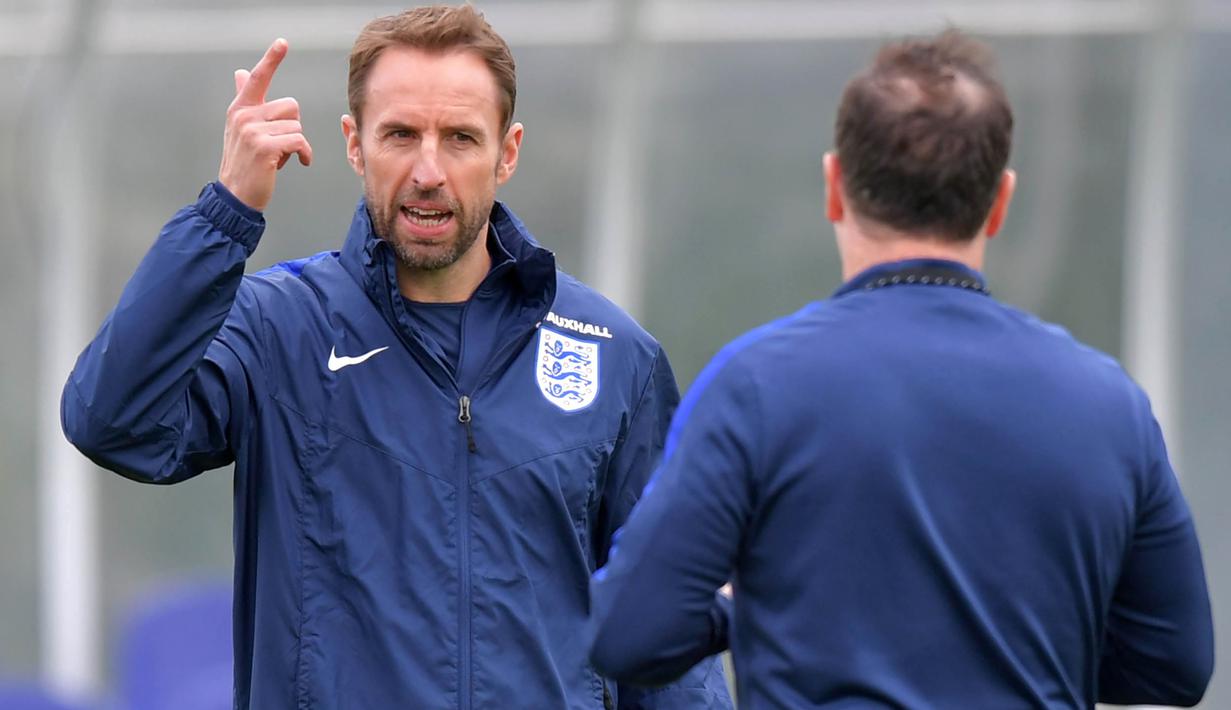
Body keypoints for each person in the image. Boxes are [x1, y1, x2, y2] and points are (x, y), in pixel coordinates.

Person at [61, 5, 731, 709]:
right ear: (354, 143)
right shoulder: (278, 328)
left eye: (461, 138)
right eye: (401, 135)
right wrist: (225, 214)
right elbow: (113, 423)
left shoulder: (613, 355)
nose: (428, 170)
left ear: (507, 151)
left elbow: (665, 630)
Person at [587, 30, 1214, 708]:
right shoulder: (1107, 403)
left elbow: (628, 634)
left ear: (834, 186)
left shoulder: (756, 384)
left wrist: (749, 610)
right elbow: (1173, 664)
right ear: (999, 201)